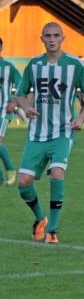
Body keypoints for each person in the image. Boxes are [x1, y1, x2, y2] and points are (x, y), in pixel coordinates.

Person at [15, 22, 84, 244]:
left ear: (63, 38)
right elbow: (21, 94)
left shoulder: (75, 66)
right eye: (47, 36)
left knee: (57, 173)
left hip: (63, 131)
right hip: (36, 133)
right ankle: (40, 219)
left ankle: (53, 229)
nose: (52, 39)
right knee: (23, 182)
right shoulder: (34, 65)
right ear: (42, 39)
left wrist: (80, 117)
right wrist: (25, 107)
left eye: (56, 36)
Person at [0, 37, 21, 187]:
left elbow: (22, 86)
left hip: (3, 109)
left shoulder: (9, 67)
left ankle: (10, 170)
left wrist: (14, 102)